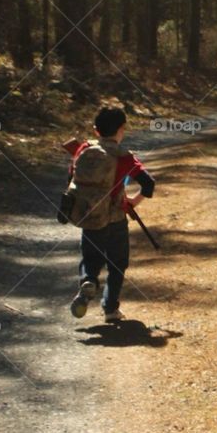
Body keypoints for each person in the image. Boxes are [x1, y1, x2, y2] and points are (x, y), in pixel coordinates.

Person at [65, 104, 155, 322]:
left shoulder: (83, 150)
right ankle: (111, 309)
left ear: (96, 130)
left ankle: (88, 281)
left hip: (90, 216)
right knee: (117, 263)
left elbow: (72, 181)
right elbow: (148, 184)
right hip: (115, 218)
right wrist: (133, 201)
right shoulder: (124, 158)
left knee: (90, 257)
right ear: (122, 129)